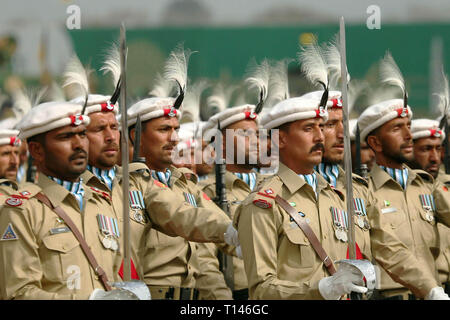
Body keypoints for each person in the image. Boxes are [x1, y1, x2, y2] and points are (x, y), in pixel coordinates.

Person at [234, 94, 368, 299]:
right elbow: (261, 289)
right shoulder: (263, 204)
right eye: (308, 129)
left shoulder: (335, 196)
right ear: (281, 139)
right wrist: (320, 290)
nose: (320, 137)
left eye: (321, 128)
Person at [0, 101, 123, 299]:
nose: (79, 144)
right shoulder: (23, 210)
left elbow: (114, 274)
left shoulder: (100, 201)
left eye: (82, 134)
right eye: (65, 137)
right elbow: (19, 292)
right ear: (37, 150)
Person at [358, 99, 450, 300]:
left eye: (408, 126)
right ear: (375, 143)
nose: (409, 135)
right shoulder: (364, 190)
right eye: (397, 128)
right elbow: (384, 246)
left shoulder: (426, 185)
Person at [409, 118, 450, 294]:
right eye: (426, 149)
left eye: (438, 148)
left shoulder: (446, 186)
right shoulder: (402, 189)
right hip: (420, 289)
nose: (435, 158)